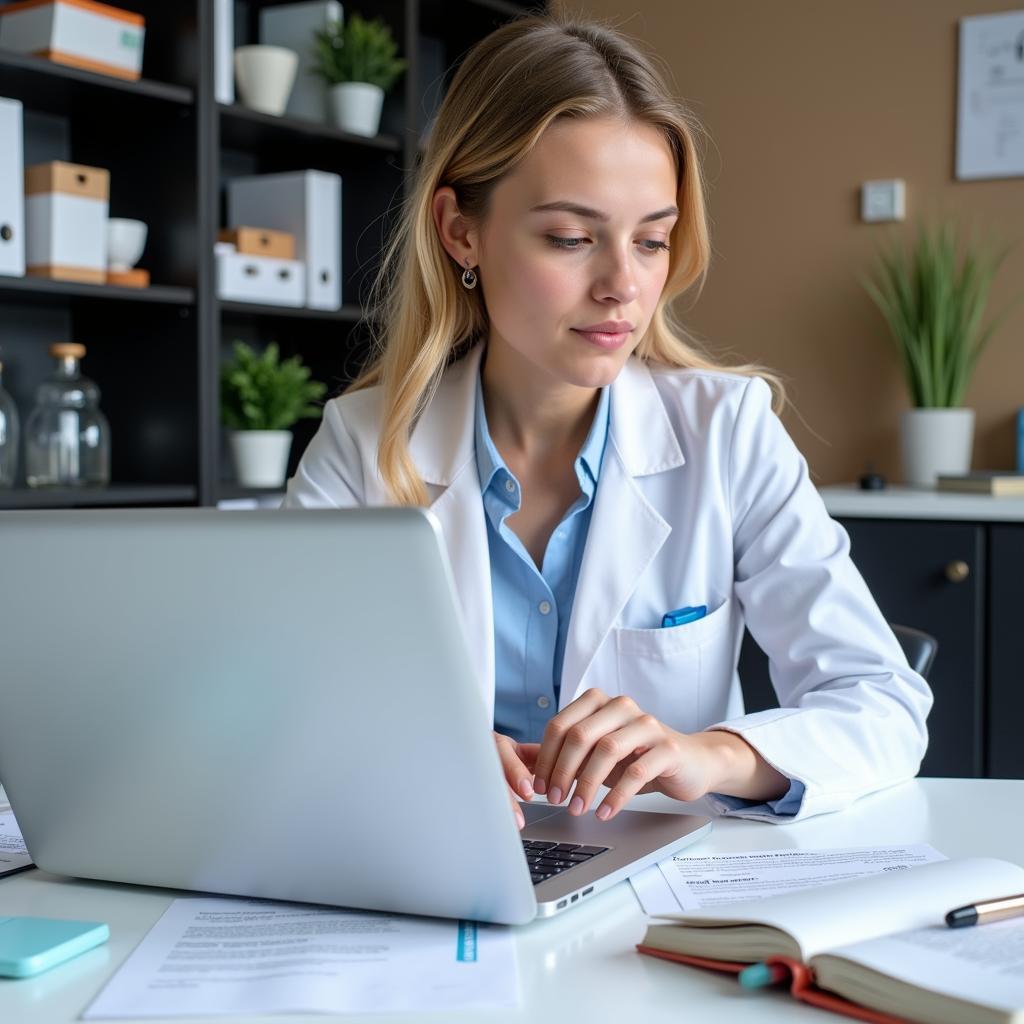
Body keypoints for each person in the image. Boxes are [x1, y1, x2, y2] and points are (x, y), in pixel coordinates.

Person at [282, 12, 932, 827]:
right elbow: (277, 705)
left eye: (652, 242)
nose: (623, 284)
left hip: (663, 894)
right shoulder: (360, 445)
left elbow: (881, 702)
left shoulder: (726, 431)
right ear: (460, 231)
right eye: (570, 237)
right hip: (434, 871)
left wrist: (707, 754)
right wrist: (403, 745)